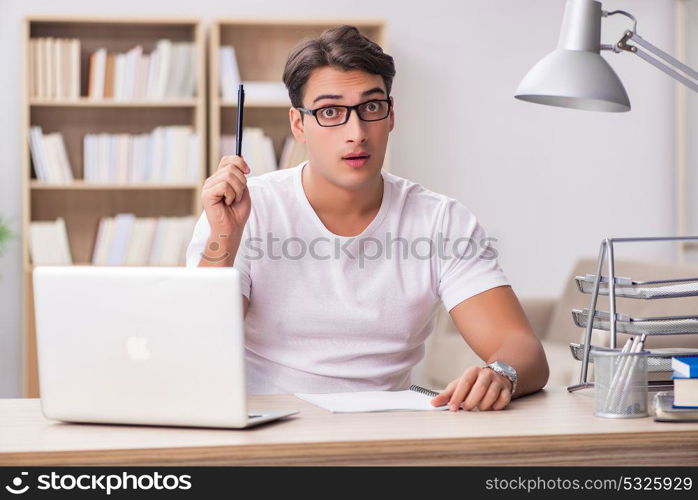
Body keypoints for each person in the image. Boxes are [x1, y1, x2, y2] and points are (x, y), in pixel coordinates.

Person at [186, 25, 549, 410]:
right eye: (330, 112)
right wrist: (224, 238)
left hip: (384, 427)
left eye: (371, 107)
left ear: (390, 116)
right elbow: (199, 345)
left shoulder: (440, 221)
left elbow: (523, 350)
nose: (356, 133)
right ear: (298, 125)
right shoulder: (247, 208)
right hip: (267, 424)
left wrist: (501, 373)